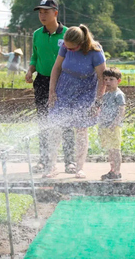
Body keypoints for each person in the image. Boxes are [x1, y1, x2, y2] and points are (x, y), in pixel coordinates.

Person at [44, 24, 106, 179]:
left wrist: (97, 102)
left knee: (81, 130)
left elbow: (101, 78)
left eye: (72, 48)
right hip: (63, 91)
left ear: (81, 44)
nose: (67, 49)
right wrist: (52, 92)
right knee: (55, 128)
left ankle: (79, 168)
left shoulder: (95, 51)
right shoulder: (65, 47)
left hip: (85, 94)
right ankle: (51, 167)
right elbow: (56, 68)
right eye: (66, 46)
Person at [25, 0, 76, 174]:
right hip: (42, 81)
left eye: (46, 12)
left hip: (64, 82)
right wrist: (30, 70)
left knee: (66, 121)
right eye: (40, 12)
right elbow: (35, 56)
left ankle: (70, 162)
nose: (42, 15)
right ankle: (44, 160)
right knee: (44, 121)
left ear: (55, 13)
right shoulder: (37, 34)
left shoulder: (68, 34)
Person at [98, 67, 126, 181]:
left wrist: (115, 123)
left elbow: (121, 110)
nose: (108, 82)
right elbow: (102, 110)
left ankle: (117, 172)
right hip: (105, 126)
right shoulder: (105, 95)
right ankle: (112, 170)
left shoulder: (118, 94)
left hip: (113, 127)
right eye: (106, 79)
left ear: (118, 81)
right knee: (110, 150)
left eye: (111, 79)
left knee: (115, 149)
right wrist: (100, 126)